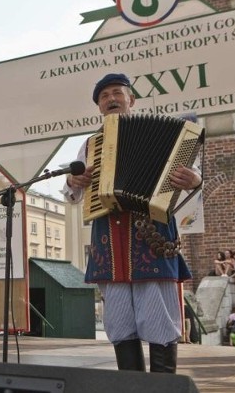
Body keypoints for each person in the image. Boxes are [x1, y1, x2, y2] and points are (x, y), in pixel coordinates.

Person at [61, 73, 201, 374]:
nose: (111, 99)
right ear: (99, 107)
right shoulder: (90, 145)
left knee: (159, 318)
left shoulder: (169, 134)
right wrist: (73, 179)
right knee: (120, 321)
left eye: (116, 93)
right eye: (104, 96)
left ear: (131, 100)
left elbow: (190, 181)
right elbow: (73, 194)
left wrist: (195, 180)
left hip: (151, 238)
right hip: (108, 242)